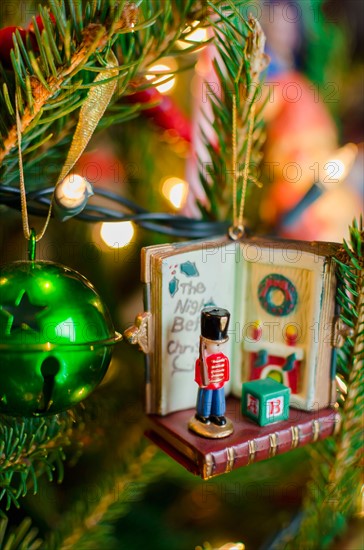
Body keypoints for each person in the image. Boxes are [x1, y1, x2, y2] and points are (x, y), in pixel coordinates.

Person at [194, 306, 230, 426]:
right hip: (207, 384)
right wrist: (201, 382)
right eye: (216, 345)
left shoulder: (223, 358)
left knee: (219, 400)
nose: (219, 347)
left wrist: (224, 379)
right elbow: (199, 371)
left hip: (219, 383)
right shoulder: (202, 360)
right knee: (206, 400)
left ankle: (218, 415)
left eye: (221, 344)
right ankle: (203, 415)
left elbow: (226, 369)